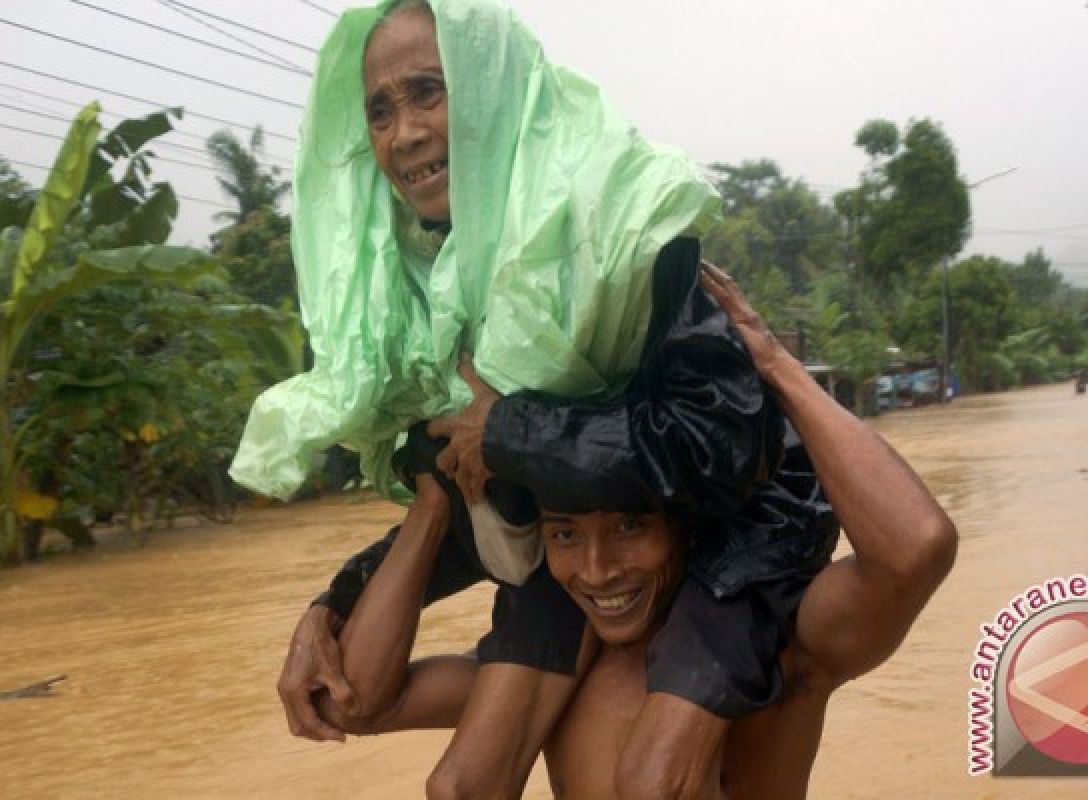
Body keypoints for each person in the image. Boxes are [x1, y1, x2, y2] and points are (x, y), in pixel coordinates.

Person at [268, 2, 837, 797]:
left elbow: (720, 448)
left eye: (429, 91)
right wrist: (334, 603)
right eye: (379, 110)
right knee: (461, 785)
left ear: (493, 92)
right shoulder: (442, 290)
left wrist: (508, 428)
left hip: (723, 552)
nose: (404, 134)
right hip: (575, 549)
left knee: (653, 779)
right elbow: (482, 493)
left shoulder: (618, 232)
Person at [312, 266, 958, 799]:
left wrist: (772, 365)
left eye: (629, 527)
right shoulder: (556, 667)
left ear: (686, 525)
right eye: (564, 535)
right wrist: (432, 501)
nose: (597, 570)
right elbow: (355, 702)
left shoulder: (776, 657)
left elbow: (916, 548)